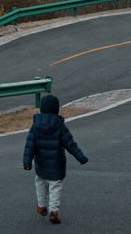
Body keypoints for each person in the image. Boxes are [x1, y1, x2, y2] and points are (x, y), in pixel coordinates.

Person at [23, 93, 88, 224]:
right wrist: (81, 157)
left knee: (40, 183)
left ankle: (41, 206)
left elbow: (29, 146)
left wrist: (27, 162)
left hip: (41, 164)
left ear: (41, 108)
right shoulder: (60, 126)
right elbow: (70, 144)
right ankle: (53, 211)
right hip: (56, 165)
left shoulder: (35, 126)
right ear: (56, 108)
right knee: (55, 187)